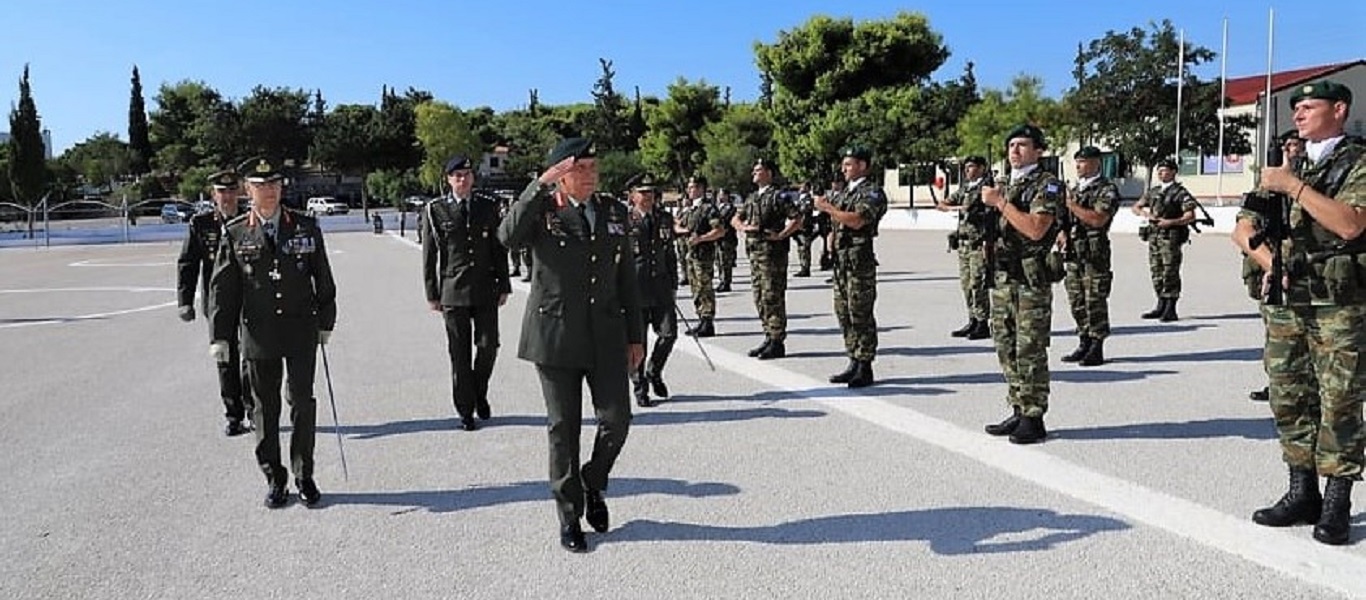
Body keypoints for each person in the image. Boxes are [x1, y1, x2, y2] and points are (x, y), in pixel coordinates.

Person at [1232, 80, 1366, 545]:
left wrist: (1294, 185)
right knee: (1289, 396)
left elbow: (1351, 224)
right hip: (1288, 299)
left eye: (1309, 106)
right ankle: (1301, 490)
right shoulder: (1287, 164)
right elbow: (1243, 228)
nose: (1300, 115)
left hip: (1338, 302)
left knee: (1340, 400)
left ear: (1339, 109)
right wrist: (1273, 265)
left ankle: (1337, 501)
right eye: (1297, 109)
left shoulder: (1357, 161)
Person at [496, 137, 644, 553]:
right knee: (564, 428)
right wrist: (539, 186)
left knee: (617, 420)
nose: (591, 175)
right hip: (556, 335)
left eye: (595, 167)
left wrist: (636, 336)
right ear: (561, 174)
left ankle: (593, 482)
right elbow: (506, 237)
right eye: (581, 168)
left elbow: (626, 280)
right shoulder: (542, 209)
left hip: (605, 334)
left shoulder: (614, 211)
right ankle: (569, 514)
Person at [209, 158, 337, 508]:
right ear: (248, 190)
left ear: (282, 187)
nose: (269, 191)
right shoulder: (235, 233)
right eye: (261, 185)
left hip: (300, 329)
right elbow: (224, 289)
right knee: (264, 409)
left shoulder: (306, 227)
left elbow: (322, 277)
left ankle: (304, 474)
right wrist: (219, 337)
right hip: (259, 333)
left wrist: (326, 321)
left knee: (302, 403)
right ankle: (274, 477)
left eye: (274, 184)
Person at [980, 124, 1062, 445]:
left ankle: (1033, 415)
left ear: (1038, 151)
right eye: (1011, 145)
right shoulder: (1003, 183)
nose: (1015, 151)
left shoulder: (1048, 185)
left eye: (1023, 145)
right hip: (1003, 277)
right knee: (1005, 344)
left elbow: (1036, 229)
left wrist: (1000, 203)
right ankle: (1017, 407)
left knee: (1029, 347)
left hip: (1030, 279)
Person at [422, 155, 511, 431]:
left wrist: (504, 284)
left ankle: (479, 392)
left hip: (485, 288)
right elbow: (430, 253)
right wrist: (432, 292)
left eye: (467, 175)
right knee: (459, 354)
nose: (463, 180)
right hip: (453, 291)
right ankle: (465, 409)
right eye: (457, 176)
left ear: (473, 178)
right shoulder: (435, 210)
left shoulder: (488, 206)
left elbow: (498, 249)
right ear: (448, 180)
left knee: (488, 346)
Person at [177, 170, 252, 436]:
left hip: (250, 298)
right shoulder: (201, 223)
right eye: (222, 192)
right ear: (214, 195)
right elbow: (188, 263)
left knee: (252, 355)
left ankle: (254, 409)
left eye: (232, 191)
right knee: (225, 357)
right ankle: (233, 415)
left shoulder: (251, 220)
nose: (228, 197)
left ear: (240, 193)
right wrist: (184, 301)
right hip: (218, 302)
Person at [815, 145, 888, 388]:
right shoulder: (845, 193)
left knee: (860, 313)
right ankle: (853, 359)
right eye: (844, 164)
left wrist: (827, 208)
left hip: (859, 262)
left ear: (863, 165)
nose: (843, 168)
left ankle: (865, 365)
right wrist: (829, 244)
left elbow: (857, 221)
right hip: (841, 262)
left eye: (849, 164)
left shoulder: (872, 193)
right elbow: (836, 224)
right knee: (843, 312)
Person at [1248, 131, 1308, 403]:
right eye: (1287, 146)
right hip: (1280, 272)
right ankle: (1277, 382)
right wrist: (1273, 266)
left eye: (1296, 145)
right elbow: (1243, 231)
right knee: (1278, 334)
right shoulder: (1268, 186)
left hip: (1318, 274)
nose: (1291, 150)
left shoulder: (1320, 181)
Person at [732, 158, 802, 359]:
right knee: (759, 297)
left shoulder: (779, 196)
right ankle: (768, 335)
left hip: (773, 255)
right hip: (755, 255)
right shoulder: (752, 197)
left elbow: (797, 218)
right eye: (753, 169)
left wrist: (781, 235)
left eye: (759, 170)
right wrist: (744, 227)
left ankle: (777, 340)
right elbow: (735, 218)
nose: (754, 173)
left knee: (773, 297)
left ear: (769, 173)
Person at [1057, 146, 1121, 366]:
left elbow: (1098, 219)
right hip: (1074, 253)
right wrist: (1062, 232)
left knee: (1095, 299)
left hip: (1095, 254)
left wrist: (1070, 204)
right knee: (1076, 300)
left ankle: (1097, 345)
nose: (1078, 166)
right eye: (1077, 162)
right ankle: (1083, 340)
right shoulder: (1075, 189)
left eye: (1083, 162)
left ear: (1096, 163)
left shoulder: (1106, 189)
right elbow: (1063, 219)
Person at [626, 174, 679, 407]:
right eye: (643, 192)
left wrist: (674, 283)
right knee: (638, 341)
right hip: (634, 288)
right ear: (632, 195)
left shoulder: (664, 218)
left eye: (651, 192)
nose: (648, 197)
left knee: (669, 334)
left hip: (661, 286)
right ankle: (640, 387)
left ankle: (654, 372)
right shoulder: (624, 220)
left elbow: (670, 254)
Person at [1131, 158, 1197, 321]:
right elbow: (1136, 207)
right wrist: (1146, 214)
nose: (1161, 173)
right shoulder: (1154, 191)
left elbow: (1190, 215)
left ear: (1173, 172)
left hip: (1170, 238)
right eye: (1159, 171)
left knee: (1170, 271)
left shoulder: (1180, 193)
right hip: (1154, 237)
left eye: (1165, 170)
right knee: (1156, 271)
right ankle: (1160, 304)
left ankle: (1171, 307)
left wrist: (1171, 222)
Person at [937, 156, 992, 340]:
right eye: (966, 167)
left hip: (979, 242)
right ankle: (973, 319)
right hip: (963, 243)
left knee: (978, 283)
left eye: (972, 167)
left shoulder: (987, 188)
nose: (968, 171)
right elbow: (943, 204)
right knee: (966, 283)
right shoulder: (965, 189)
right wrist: (959, 208)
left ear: (982, 168)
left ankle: (983, 321)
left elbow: (991, 212)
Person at [674, 174, 723, 337]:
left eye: (693, 187)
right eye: (689, 187)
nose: (689, 190)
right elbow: (678, 224)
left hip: (703, 255)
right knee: (695, 288)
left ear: (701, 189)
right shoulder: (690, 209)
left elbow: (719, 230)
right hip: (691, 255)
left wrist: (701, 238)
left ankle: (708, 321)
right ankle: (701, 318)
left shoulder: (708, 208)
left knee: (704, 288)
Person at [714, 190, 739, 292]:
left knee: (725, 261)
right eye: (719, 195)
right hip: (718, 238)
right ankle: (721, 280)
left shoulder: (730, 208)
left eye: (723, 195)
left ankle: (726, 282)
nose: (721, 197)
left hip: (727, 238)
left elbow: (724, 220)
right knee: (718, 261)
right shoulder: (717, 207)